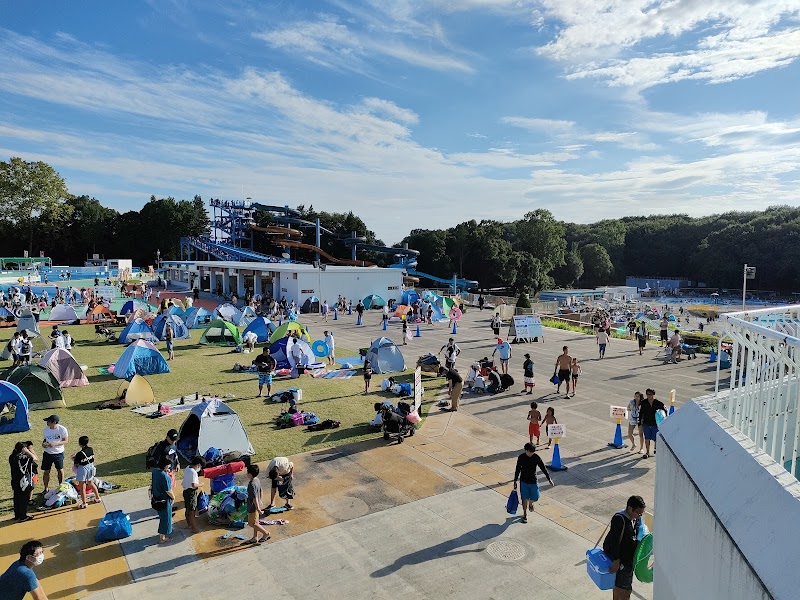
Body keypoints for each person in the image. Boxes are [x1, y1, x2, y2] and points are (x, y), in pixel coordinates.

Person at [604, 495, 646, 600]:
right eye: (639, 513)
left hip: (627, 560)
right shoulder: (619, 519)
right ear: (631, 509)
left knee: (622, 589)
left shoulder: (634, 519)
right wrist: (616, 561)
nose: (640, 516)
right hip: (621, 562)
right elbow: (615, 541)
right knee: (623, 591)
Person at [513, 442, 554, 524]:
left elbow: (543, 468)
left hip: (533, 481)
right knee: (524, 498)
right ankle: (525, 515)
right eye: (530, 452)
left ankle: (531, 503)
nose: (532, 453)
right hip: (523, 481)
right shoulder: (521, 457)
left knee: (535, 497)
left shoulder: (536, 457)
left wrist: (549, 478)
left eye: (533, 452)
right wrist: (515, 480)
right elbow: (517, 469)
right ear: (526, 451)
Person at [241, 464, 270, 545]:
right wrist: (261, 502)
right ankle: (255, 537)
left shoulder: (251, 485)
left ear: (250, 474)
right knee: (256, 522)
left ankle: (266, 533)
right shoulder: (257, 480)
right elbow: (261, 491)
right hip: (258, 504)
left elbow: (254, 498)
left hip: (253, 507)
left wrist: (258, 509)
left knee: (252, 523)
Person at [9, 441, 37, 522]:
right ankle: (23, 516)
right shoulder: (23, 458)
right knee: (23, 499)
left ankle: (17, 515)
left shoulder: (12, 456)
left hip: (14, 480)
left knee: (16, 497)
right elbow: (35, 459)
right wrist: (29, 451)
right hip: (23, 480)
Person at [41, 414, 68, 492]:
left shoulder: (62, 429)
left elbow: (66, 440)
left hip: (58, 453)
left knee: (60, 470)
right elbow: (45, 440)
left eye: (48, 421)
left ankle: (61, 486)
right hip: (47, 453)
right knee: (46, 471)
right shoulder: (46, 429)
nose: (47, 423)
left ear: (54, 422)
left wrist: (56, 443)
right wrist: (44, 444)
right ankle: (46, 488)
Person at [73, 436, 101, 509]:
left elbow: (76, 464)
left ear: (80, 443)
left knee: (82, 487)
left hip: (83, 469)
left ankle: (84, 503)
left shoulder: (79, 454)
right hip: (90, 467)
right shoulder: (90, 449)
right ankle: (98, 498)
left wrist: (73, 459)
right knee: (91, 483)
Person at [151, 456, 175, 543]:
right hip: (164, 501)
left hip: (156, 498)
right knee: (166, 519)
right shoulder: (165, 477)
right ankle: (162, 538)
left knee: (162, 517)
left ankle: (162, 535)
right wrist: (173, 497)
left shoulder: (155, 471)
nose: (169, 467)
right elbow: (168, 490)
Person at [638, 388, 665, 458]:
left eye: (650, 394)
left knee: (656, 438)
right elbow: (641, 413)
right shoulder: (644, 403)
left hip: (655, 423)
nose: (649, 396)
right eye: (647, 394)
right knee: (647, 438)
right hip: (646, 423)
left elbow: (664, 410)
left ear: (653, 394)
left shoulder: (658, 403)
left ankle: (656, 448)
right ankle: (647, 452)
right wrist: (639, 423)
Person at [182, 456, 205, 534]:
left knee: (188, 509)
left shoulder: (187, 468)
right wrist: (201, 484)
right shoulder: (193, 472)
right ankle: (194, 528)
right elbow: (194, 485)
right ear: (198, 465)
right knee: (192, 510)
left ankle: (189, 524)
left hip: (186, 491)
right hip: (191, 492)